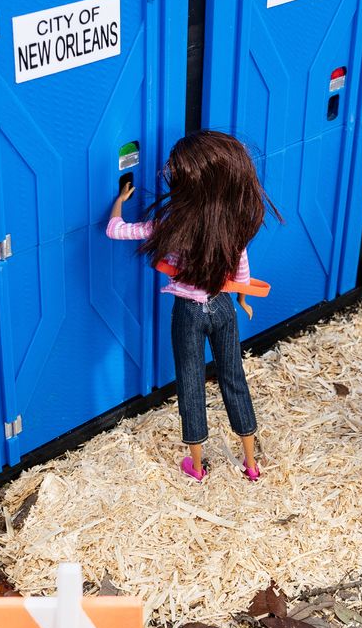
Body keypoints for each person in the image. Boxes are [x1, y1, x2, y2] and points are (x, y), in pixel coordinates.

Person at [107, 131, 273, 482]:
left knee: (191, 381)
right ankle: (250, 462)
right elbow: (242, 269)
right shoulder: (233, 224)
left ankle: (197, 467)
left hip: (188, 311)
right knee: (234, 378)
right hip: (224, 306)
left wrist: (120, 200)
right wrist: (242, 298)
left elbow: (116, 230)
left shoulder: (170, 224)